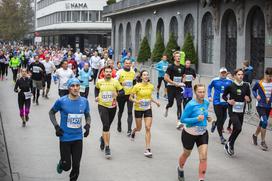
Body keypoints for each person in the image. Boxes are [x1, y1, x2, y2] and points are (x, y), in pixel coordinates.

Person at [49, 78, 91, 181]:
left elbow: (87, 115)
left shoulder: (84, 101)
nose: (75, 88)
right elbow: (51, 113)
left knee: (76, 165)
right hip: (65, 137)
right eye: (73, 86)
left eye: (77, 85)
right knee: (67, 167)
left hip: (78, 137)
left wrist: (88, 125)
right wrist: (56, 126)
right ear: (68, 88)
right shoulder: (61, 101)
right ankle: (62, 162)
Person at [177, 84, 210, 181]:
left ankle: (201, 179)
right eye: (200, 92)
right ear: (195, 92)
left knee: (203, 156)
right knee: (186, 154)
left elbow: (204, 113)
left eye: (203, 92)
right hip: (189, 134)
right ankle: (180, 168)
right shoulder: (191, 104)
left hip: (202, 133)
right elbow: (183, 119)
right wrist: (196, 118)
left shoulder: (206, 103)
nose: (202, 94)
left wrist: (208, 118)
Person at [95, 66, 124, 158]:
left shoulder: (115, 82)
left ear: (112, 73)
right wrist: (96, 96)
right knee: (106, 125)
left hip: (113, 106)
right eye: (106, 71)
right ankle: (107, 148)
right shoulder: (99, 81)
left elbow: (122, 91)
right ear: (103, 73)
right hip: (102, 105)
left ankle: (103, 139)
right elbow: (96, 89)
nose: (108, 73)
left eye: (109, 72)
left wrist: (118, 94)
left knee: (107, 126)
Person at [130, 70, 160, 158]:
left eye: (147, 75)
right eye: (144, 75)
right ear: (141, 77)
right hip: (138, 109)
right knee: (139, 128)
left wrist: (155, 102)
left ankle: (148, 149)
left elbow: (149, 96)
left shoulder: (151, 86)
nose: (146, 76)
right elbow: (130, 97)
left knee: (148, 127)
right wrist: (136, 101)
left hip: (147, 108)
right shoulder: (136, 86)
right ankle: (134, 131)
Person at [222, 68, 251, 156]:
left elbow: (249, 99)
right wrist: (228, 101)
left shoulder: (246, 86)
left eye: (242, 74)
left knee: (237, 129)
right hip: (232, 110)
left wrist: (248, 99)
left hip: (241, 111)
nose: (241, 76)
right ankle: (230, 143)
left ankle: (230, 143)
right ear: (235, 76)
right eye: (239, 74)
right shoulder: (230, 86)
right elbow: (224, 96)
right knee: (238, 128)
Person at [208, 67, 232, 144]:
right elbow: (209, 87)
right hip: (217, 102)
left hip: (225, 102)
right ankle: (221, 137)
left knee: (224, 117)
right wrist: (209, 96)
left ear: (226, 73)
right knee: (220, 118)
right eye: (222, 73)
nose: (223, 74)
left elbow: (233, 90)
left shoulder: (230, 81)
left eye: (224, 72)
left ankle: (215, 123)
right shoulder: (215, 80)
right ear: (220, 73)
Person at [252, 67, 272, 151]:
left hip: (268, 106)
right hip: (260, 106)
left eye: (271, 76)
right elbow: (253, 90)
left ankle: (255, 135)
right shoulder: (259, 83)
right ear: (265, 74)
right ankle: (263, 142)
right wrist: (256, 96)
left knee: (262, 122)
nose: (270, 77)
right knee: (264, 122)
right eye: (269, 76)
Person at [164, 51, 185, 129]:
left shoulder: (183, 67)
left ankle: (179, 121)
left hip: (179, 88)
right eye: (177, 56)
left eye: (179, 56)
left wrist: (183, 82)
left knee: (179, 104)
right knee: (171, 103)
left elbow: (184, 76)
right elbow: (165, 78)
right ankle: (167, 107)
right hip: (171, 87)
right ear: (174, 58)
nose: (178, 57)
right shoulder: (171, 67)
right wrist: (174, 83)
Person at [115, 59, 136, 135]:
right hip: (121, 94)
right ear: (124, 64)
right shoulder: (119, 72)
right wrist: (120, 83)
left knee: (130, 112)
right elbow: (114, 81)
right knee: (121, 110)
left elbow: (134, 82)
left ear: (131, 64)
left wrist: (134, 93)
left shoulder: (133, 72)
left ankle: (129, 129)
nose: (128, 64)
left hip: (130, 95)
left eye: (129, 63)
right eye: (126, 63)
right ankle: (119, 123)